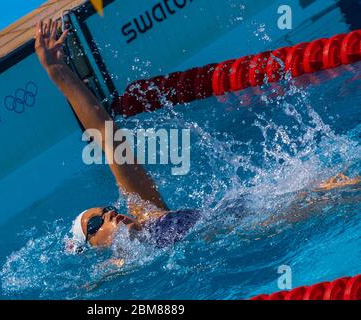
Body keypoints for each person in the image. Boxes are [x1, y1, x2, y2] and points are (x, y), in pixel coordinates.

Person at [34, 19, 360, 253]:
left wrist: (62, 75)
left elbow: (108, 136)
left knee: (339, 188)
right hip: (261, 226)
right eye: (95, 225)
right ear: (92, 247)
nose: (108, 215)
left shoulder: (148, 212)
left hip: (257, 210)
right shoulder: (121, 270)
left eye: (104, 209)